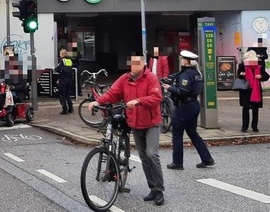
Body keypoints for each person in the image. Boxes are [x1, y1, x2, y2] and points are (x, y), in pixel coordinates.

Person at [87, 55, 166, 206]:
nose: (133, 68)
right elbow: (113, 94)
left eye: (137, 65)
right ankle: (153, 188)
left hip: (151, 122)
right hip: (135, 123)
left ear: (143, 65)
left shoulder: (150, 78)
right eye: (132, 65)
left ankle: (160, 190)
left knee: (152, 154)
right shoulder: (125, 79)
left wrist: (139, 101)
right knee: (143, 157)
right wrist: (97, 101)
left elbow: (156, 97)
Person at [163, 50, 215, 170]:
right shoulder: (197, 73)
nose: (181, 60)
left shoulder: (186, 74)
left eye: (182, 58)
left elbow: (183, 91)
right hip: (193, 105)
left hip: (184, 107)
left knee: (177, 134)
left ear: (186, 61)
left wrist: (169, 88)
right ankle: (207, 159)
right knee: (192, 132)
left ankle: (177, 163)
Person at [236, 48, 270, 132]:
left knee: (255, 109)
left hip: (256, 89)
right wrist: (242, 75)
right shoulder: (242, 66)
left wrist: (261, 76)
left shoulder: (260, 65)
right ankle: (245, 126)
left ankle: (255, 126)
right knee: (245, 108)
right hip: (245, 89)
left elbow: (266, 75)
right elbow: (238, 76)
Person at [55, 49, 74, 115]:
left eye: (60, 53)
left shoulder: (62, 61)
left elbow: (58, 69)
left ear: (63, 54)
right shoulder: (70, 61)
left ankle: (64, 109)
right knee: (67, 94)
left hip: (63, 80)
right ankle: (71, 108)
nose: (59, 55)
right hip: (69, 80)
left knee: (62, 95)